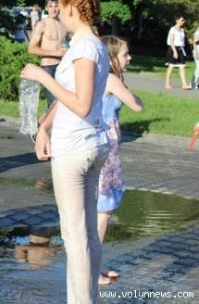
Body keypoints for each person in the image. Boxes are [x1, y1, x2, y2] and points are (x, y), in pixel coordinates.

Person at [21, 0, 110, 303]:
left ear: (72, 8)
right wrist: (44, 126)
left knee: (74, 237)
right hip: (90, 143)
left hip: (75, 147)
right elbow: (68, 97)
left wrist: (43, 77)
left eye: (61, 7)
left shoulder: (85, 48)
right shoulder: (90, 44)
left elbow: (81, 103)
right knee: (87, 233)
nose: (59, 14)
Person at [97, 35, 144, 285]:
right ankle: (92, 270)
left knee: (100, 210)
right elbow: (137, 106)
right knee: (102, 211)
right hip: (106, 149)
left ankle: (97, 264)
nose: (129, 58)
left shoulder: (99, 76)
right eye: (125, 54)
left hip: (104, 146)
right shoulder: (111, 79)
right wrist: (134, 96)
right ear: (112, 57)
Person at [28, 0, 68, 108]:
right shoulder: (42, 24)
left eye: (56, 6)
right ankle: (45, 120)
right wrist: (55, 53)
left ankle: (47, 120)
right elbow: (31, 48)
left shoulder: (64, 24)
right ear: (46, 8)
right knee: (54, 104)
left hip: (62, 66)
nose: (53, 9)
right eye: (50, 6)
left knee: (63, 103)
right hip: (48, 67)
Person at [164, 16, 192, 90]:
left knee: (182, 66)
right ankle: (167, 83)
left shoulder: (182, 30)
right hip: (173, 48)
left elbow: (182, 40)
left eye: (183, 20)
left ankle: (184, 84)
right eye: (182, 20)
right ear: (177, 20)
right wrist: (175, 52)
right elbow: (171, 41)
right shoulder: (172, 29)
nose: (183, 21)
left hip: (181, 48)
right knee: (171, 66)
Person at [191, 25, 199, 89]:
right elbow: (194, 43)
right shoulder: (197, 32)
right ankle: (193, 83)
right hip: (197, 52)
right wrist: (196, 52)